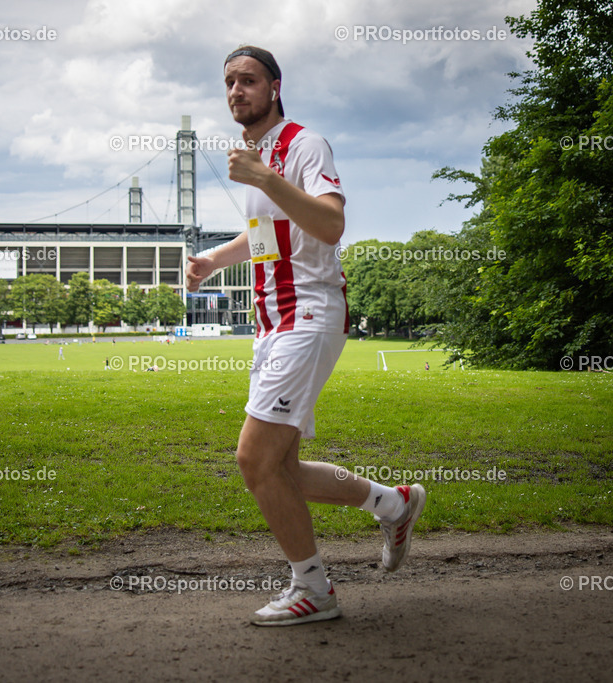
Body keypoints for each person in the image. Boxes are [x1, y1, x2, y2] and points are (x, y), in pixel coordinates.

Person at [186, 45, 426, 627]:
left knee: (254, 461)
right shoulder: (253, 156)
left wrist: (266, 177)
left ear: (274, 86)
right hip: (270, 324)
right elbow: (268, 235)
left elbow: (330, 222)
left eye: (248, 80)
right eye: (228, 83)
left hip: (309, 313)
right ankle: (392, 503)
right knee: (283, 469)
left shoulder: (302, 145)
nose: (236, 91)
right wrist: (218, 258)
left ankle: (313, 589)